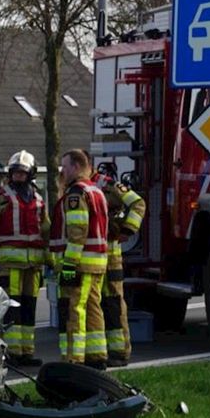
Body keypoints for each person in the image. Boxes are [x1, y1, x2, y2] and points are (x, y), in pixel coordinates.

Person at [0, 151, 49, 366]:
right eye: (15, 173)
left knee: (29, 309)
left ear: (31, 174)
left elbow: (45, 230)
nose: (19, 176)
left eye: (23, 173)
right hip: (8, 266)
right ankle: (10, 353)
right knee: (10, 311)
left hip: (33, 266)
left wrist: (50, 260)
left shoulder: (38, 199)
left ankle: (26, 351)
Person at [83, 153, 146, 367]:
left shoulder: (107, 184)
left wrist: (127, 230)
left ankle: (120, 351)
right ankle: (101, 351)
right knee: (96, 304)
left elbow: (138, 204)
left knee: (114, 303)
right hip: (92, 255)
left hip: (110, 254)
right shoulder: (79, 187)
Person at [49, 149, 110, 369]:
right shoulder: (97, 191)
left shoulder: (76, 194)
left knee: (75, 310)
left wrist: (68, 265)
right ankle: (97, 355)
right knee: (93, 308)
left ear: (75, 166)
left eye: (64, 167)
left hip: (81, 263)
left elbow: (77, 232)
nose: (62, 172)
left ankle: (74, 359)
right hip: (98, 261)